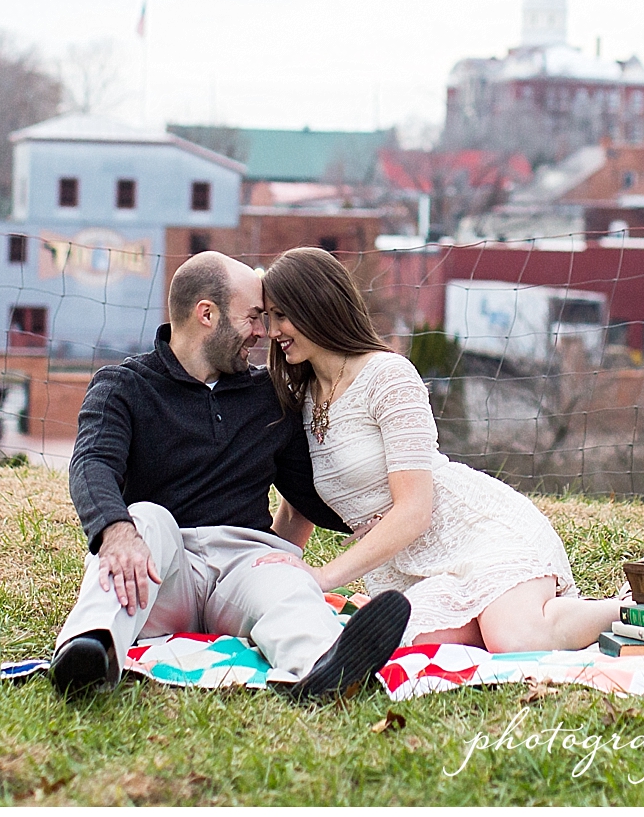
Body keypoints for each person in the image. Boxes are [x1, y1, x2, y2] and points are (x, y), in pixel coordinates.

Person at [50, 250, 411, 702]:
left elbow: (311, 489)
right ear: (207, 314)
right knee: (143, 519)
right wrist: (115, 531)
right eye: (253, 317)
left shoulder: (268, 395)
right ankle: (89, 652)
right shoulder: (124, 386)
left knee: (286, 576)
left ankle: (322, 668)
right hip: (164, 569)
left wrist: (378, 515)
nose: (263, 332)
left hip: (242, 567)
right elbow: (92, 462)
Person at [255, 246, 623, 652]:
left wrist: (323, 577)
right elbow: (296, 508)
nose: (272, 331)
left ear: (316, 305)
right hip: (410, 571)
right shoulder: (299, 396)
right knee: (406, 641)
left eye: (282, 316)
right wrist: (266, 576)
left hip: (474, 535)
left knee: (515, 639)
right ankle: (506, 614)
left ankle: (630, 609)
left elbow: (414, 511)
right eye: (268, 317)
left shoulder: (387, 377)